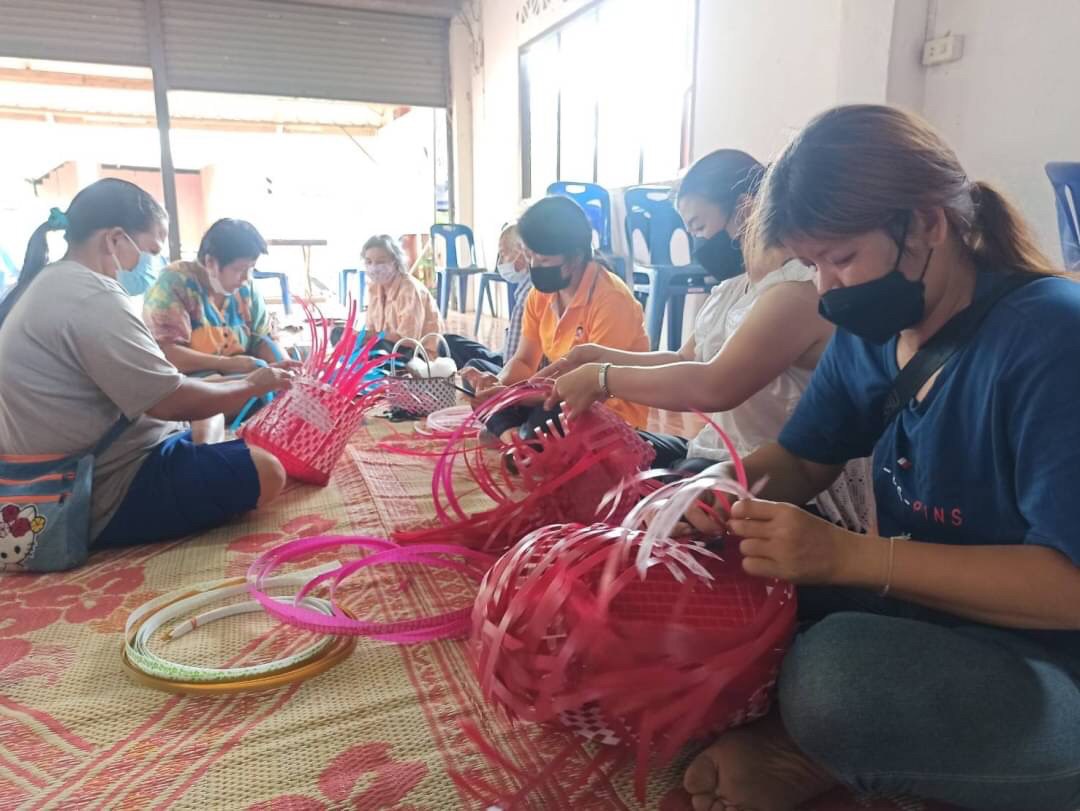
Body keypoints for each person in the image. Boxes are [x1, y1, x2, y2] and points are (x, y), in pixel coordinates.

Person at [680, 106, 1080, 811]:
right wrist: (719, 489)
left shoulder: (1051, 339)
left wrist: (852, 558)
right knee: (712, 578)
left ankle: (810, 749)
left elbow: (1067, 587)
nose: (825, 288)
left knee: (837, 679)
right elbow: (802, 460)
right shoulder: (872, 332)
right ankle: (843, 744)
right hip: (938, 610)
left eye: (841, 258)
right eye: (811, 265)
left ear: (926, 224)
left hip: (1052, 656)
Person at [541, 150, 871, 530]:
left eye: (698, 227)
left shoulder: (797, 290)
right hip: (716, 455)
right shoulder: (733, 289)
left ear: (745, 210)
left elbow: (715, 385)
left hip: (778, 478)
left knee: (640, 508)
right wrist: (598, 357)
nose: (697, 242)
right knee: (597, 449)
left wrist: (603, 378)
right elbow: (686, 360)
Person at [0, 180, 294, 551]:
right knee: (267, 471)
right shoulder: (92, 296)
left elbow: (161, 387)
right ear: (115, 239)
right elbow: (168, 399)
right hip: (94, 488)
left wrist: (247, 379)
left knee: (214, 413)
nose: (153, 263)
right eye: (151, 250)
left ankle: (202, 453)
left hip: (86, 463)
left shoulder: (54, 284)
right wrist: (252, 384)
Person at [465, 195, 651, 429]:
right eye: (529, 256)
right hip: (555, 393)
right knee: (478, 377)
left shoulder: (611, 300)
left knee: (544, 417)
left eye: (543, 260)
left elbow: (591, 389)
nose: (534, 266)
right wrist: (498, 385)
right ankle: (511, 433)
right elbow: (524, 361)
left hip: (603, 411)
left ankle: (509, 432)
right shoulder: (540, 295)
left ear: (576, 257)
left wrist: (511, 397)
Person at [144, 218, 278, 375]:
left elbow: (262, 338)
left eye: (251, 268)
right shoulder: (174, 284)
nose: (246, 278)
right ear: (210, 262)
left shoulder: (246, 289)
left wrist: (284, 367)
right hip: (193, 384)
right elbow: (167, 354)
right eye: (239, 269)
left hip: (243, 381)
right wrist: (226, 364)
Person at [442, 222, 532, 375]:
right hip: (505, 358)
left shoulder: (530, 292)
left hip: (515, 370)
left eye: (503, 254)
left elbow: (515, 362)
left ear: (522, 253)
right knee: (448, 342)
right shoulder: (523, 286)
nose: (500, 262)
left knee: (474, 367)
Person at [363, 233, 443, 357]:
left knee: (374, 349)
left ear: (395, 262)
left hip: (418, 355)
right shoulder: (374, 288)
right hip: (389, 346)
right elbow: (371, 329)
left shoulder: (409, 290)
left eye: (380, 262)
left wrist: (372, 336)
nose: (374, 267)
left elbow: (408, 342)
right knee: (342, 337)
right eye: (369, 262)